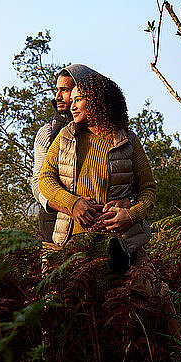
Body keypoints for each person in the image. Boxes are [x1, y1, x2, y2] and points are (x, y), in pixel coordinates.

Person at [38, 72, 156, 273]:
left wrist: (131, 215)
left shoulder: (128, 141)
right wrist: (72, 202)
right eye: (71, 100)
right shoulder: (65, 137)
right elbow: (45, 179)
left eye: (78, 100)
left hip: (122, 244)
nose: (72, 105)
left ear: (96, 101)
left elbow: (149, 189)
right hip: (71, 242)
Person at [31, 64, 99, 242]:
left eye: (65, 90)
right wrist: (72, 206)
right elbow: (38, 184)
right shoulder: (48, 133)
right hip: (54, 231)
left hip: (99, 230)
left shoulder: (107, 134)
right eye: (57, 90)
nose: (57, 97)